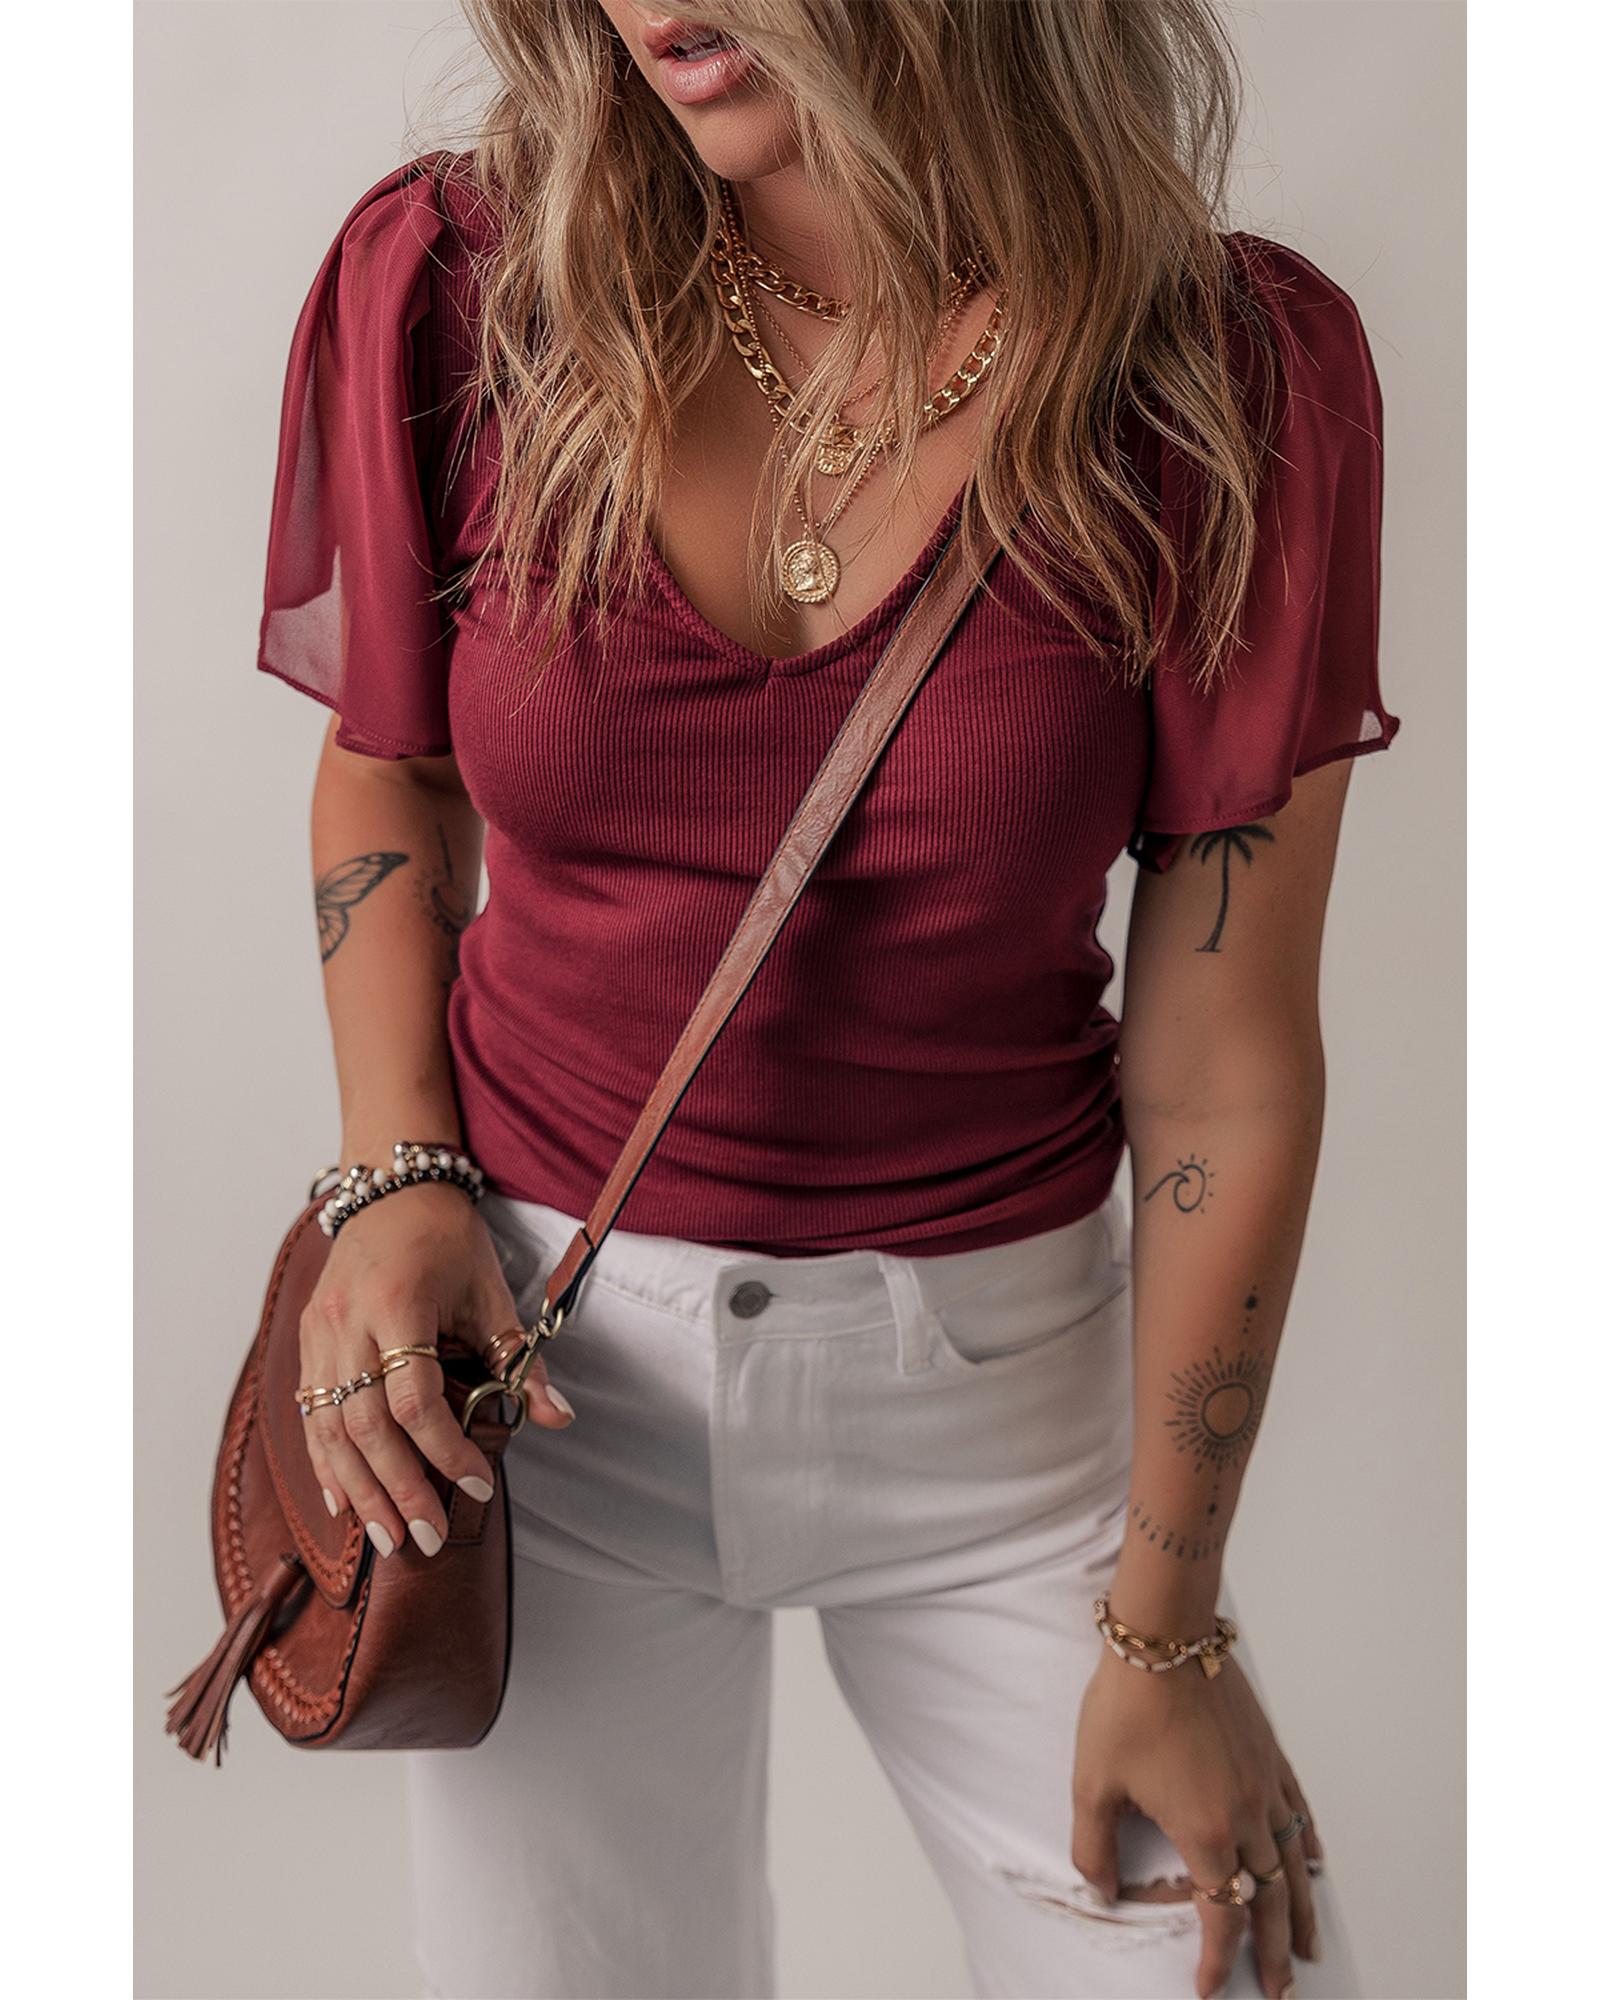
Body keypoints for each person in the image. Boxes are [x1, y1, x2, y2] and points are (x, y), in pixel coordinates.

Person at [256, 5, 1401, 1995]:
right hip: (537, 1387)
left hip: (1004, 1427)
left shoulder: (1222, 377)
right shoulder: (466, 284)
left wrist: (1168, 1618)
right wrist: (397, 1174)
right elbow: (390, 770)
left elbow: (1223, 1064)